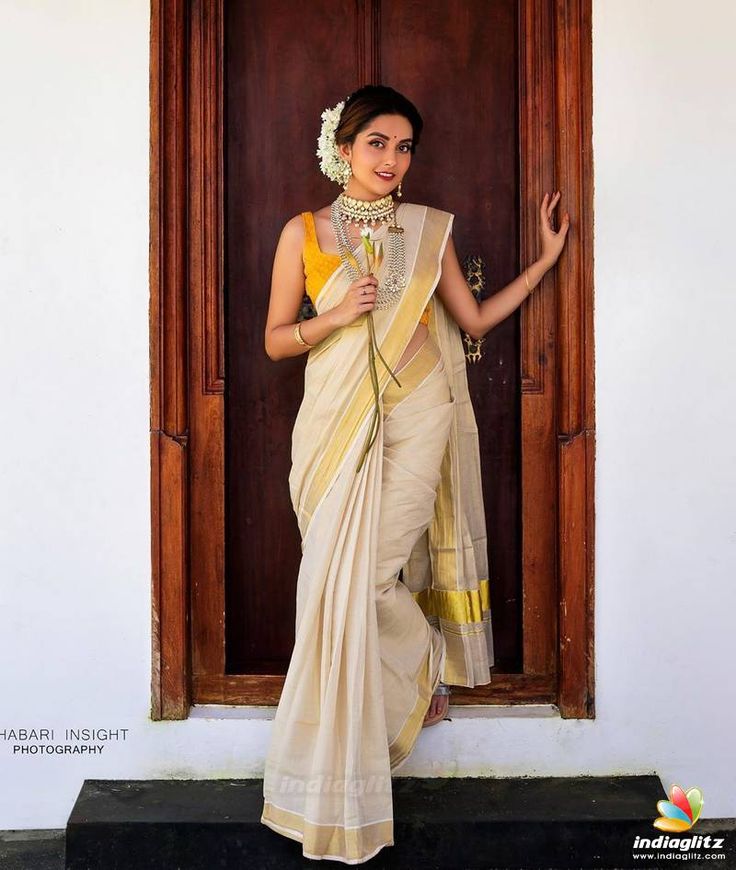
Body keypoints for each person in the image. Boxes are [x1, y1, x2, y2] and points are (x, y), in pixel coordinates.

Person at [261, 84, 569, 864]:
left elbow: (471, 322)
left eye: (404, 149)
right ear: (343, 145)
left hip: (419, 411)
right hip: (334, 427)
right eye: (378, 145)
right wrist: (335, 317)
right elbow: (273, 342)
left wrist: (546, 260)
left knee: (364, 580)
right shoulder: (303, 233)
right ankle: (421, 663)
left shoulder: (427, 231)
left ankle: (385, 714)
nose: (392, 162)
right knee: (330, 581)